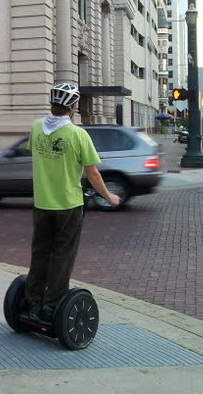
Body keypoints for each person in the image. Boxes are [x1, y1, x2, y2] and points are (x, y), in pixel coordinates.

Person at [24, 82, 121, 321]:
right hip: (68, 204)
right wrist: (109, 197)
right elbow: (93, 173)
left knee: (40, 253)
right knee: (62, 255)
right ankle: (51, 305)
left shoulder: (36, 127)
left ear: (53, 104)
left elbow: (35, 154)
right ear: (73, 106)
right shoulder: (78, 134)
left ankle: (33, 301)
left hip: (42, 203)